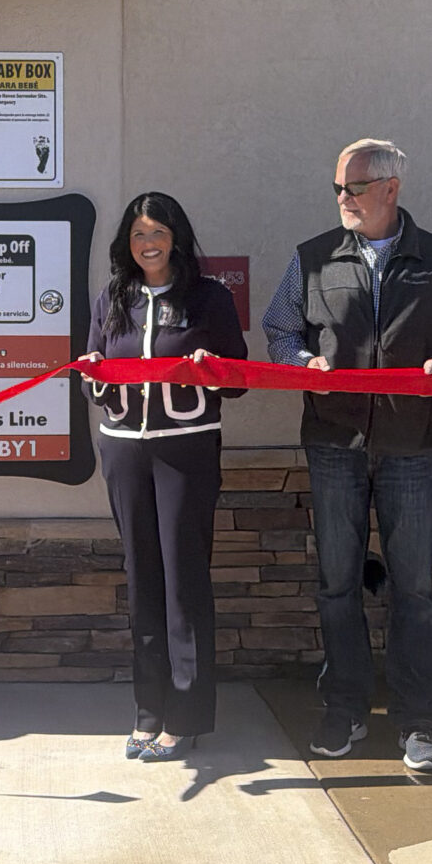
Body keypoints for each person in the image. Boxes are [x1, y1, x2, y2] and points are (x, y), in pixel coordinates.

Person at [262, 138, 432, 777]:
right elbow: (280, 326)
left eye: (353, 188)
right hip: (335, 443)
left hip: (411, 446)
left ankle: (419, 721)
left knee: (413, 590)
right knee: (338, 586)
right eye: (337, 187)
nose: (342, 198)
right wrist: (300, 364)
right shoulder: (312, 257)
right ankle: (345, 709)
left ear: (391, 189)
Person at [79, 193, 249, 761]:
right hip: (126, 451)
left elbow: (239, 378)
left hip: (186, 453)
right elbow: (92, 372)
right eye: (137, 236)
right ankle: (148, 711)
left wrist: (211, 371)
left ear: (176, 236)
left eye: (156, 233)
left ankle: (186, 714)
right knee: (142, 581)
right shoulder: (113, 297)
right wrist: (95, 377)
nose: (147, 244)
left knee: (183, 583)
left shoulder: (209, 297)